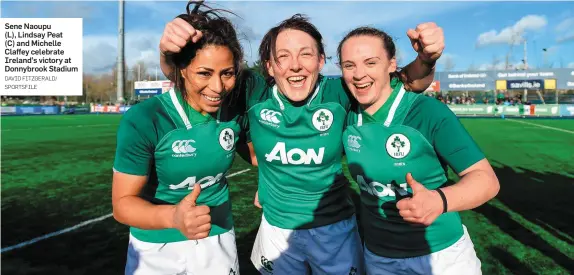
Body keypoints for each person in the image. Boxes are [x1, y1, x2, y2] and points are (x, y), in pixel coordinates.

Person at [159, 12, 443, 275]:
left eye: (306, 54)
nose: (295, 65)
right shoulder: (255, 92)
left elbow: (408, 81)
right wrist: (168, 50)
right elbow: (186, 71)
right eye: (283, 56)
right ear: (269, 66)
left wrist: (427, 59)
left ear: (321, 60)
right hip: (276, 232)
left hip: (336, 231)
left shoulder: (340, 91)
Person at [338, 26, 500, 274]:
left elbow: (487, 180)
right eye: (349, 65)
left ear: (392, 64)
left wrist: (439, 200)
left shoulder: (427, 112)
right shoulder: (346, 114)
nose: (359, 74)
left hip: (442, 256)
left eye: (370, 62)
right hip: (378, 257)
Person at [112, 2, 250, 274]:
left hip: (217, 239)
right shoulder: (145, 118)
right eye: (204, 73)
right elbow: (122, 205)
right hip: (154, 249)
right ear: (182, 70)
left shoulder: (235, 108)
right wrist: (173, 217)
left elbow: (260, 154)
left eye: (227, 73)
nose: (218, 87)